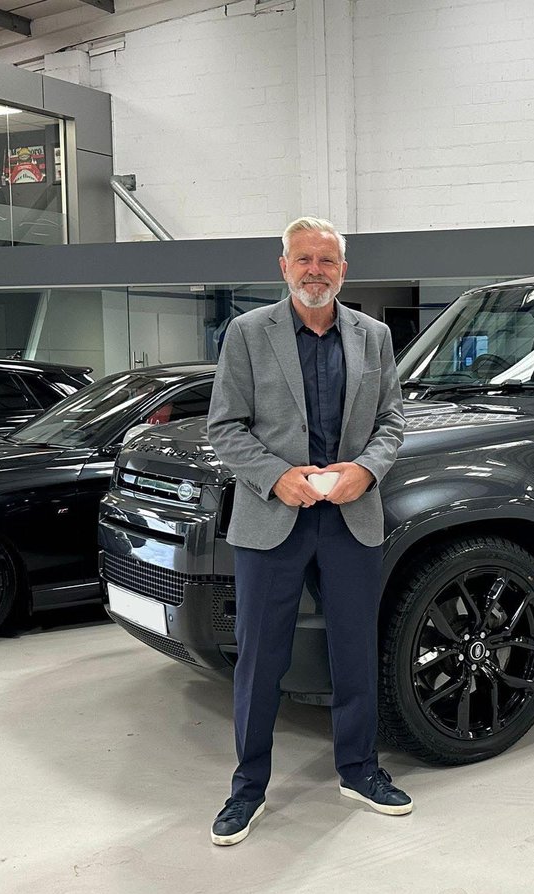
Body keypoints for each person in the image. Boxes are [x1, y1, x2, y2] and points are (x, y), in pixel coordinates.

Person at [206, 216, 407, 846]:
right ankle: (248, 786)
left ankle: (359, 769)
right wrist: (276, 477)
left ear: (343, 270)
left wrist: (366, 472)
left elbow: (393, 422)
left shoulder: (373, 336)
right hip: (273, 520)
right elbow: (225, 427)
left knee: (354, 649)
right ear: (283, 265)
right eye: (304, 260)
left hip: (350, 516)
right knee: (261, 657)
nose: (315, 271)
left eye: (327, 261)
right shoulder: (246, 334)